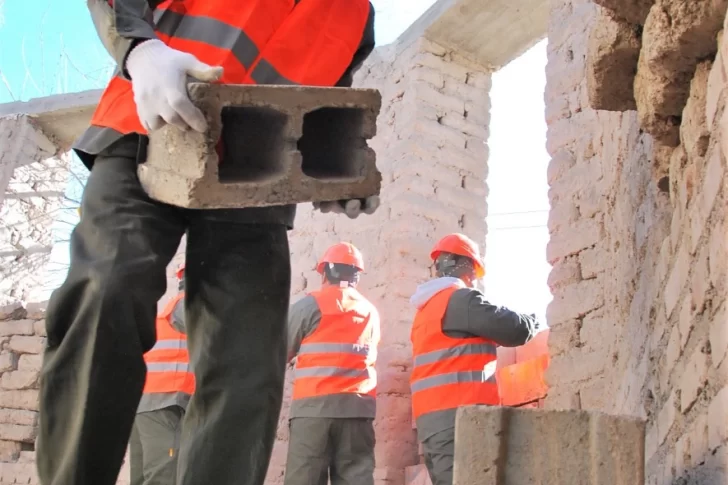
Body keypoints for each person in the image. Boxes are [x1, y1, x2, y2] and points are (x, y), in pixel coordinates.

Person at [36, 2, 378, 485]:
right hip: (149, 127)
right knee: (106, 289)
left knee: (248, 360)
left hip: (253, 183)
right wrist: (141, 50)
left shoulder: (355, 17)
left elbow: (320, 105)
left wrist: (332, 176)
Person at [409, 233, 540, 485]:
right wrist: (534, 320)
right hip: (460, 419)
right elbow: (514, 329)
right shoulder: (461, 299)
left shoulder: (425, 310)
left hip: (432, 423)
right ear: (469, 268)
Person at [284, 243, 380, 485]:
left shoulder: (308, 306)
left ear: (324, 272)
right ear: (357, 275)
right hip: (357, 412)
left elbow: (280, 353)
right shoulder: (370, 312)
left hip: (313, 412)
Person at [129, 262, 194, 485]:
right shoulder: (189, 306)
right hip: (166, 404)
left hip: (145, 404)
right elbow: (217, 334)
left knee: (142, 477)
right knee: (164, 476)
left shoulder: (166, 308)